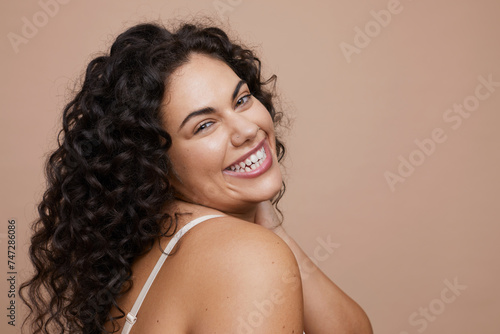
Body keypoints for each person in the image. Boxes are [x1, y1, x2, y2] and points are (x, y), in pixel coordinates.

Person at [20, 21, 373, 334]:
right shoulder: (246, 258)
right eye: (204, 125)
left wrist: (274, 228)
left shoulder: (163, 249)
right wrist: (267, 244)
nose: (247, 130)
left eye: (242, 99)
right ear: (154, 164)